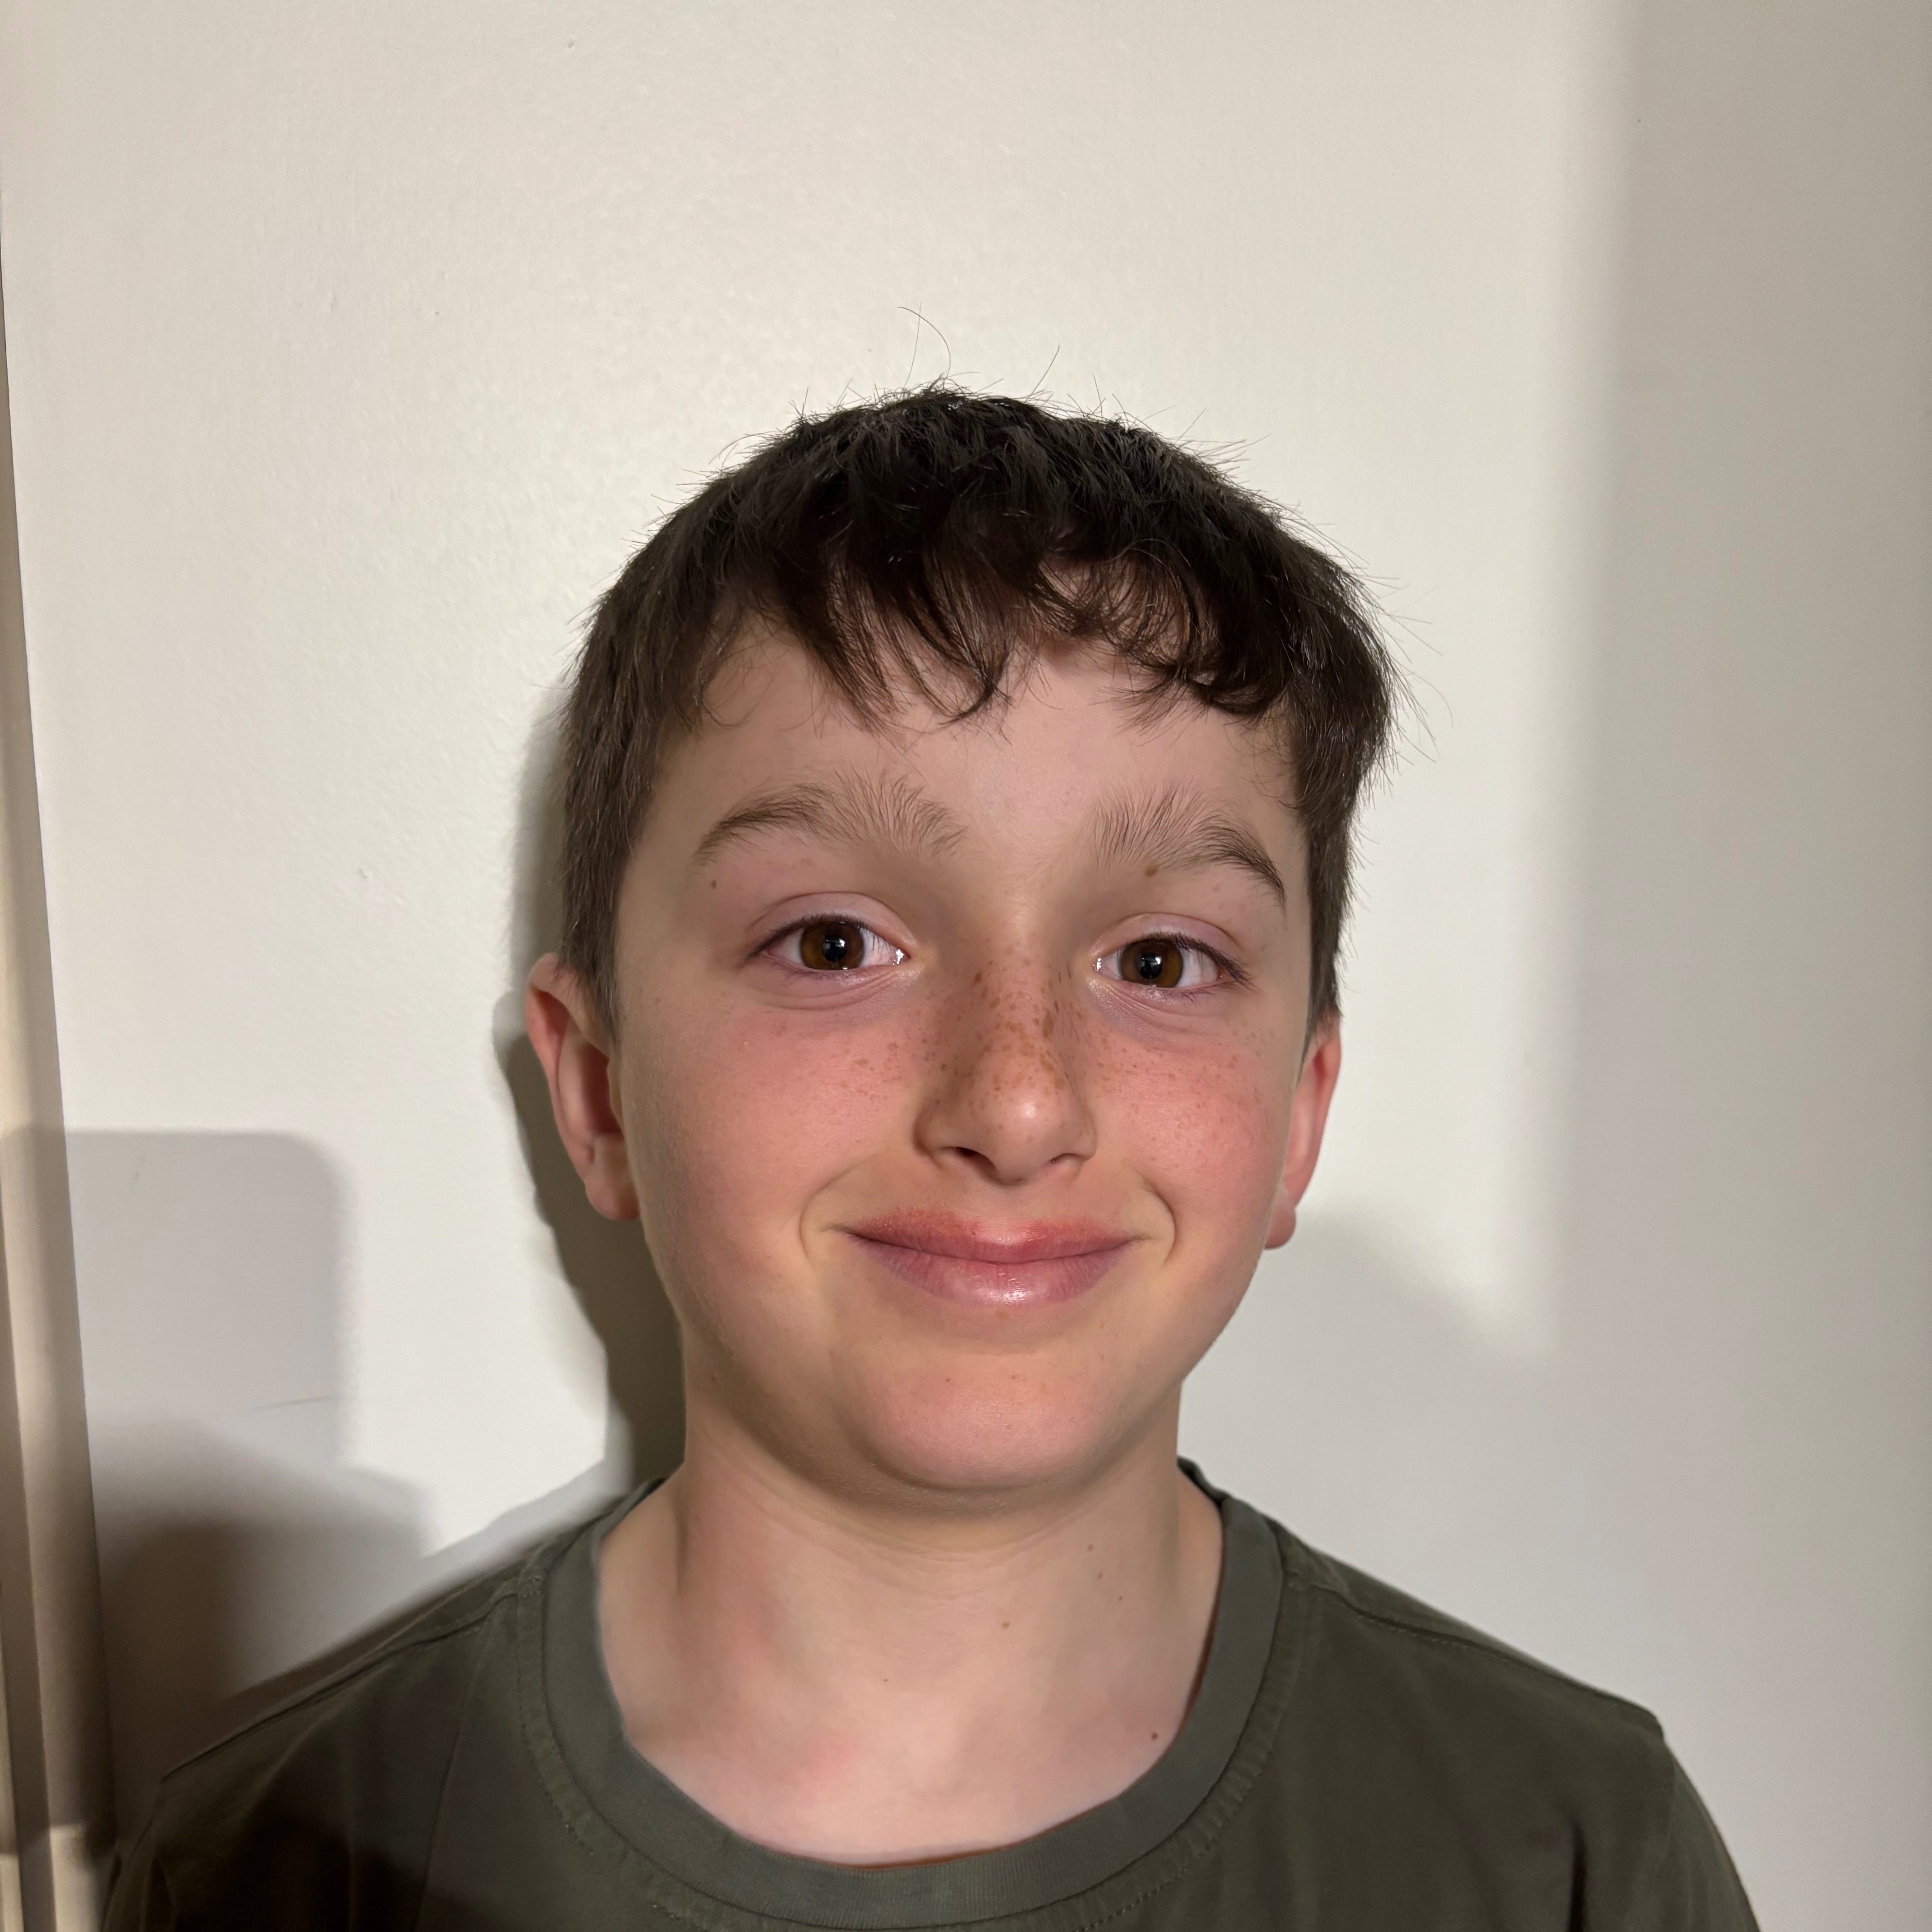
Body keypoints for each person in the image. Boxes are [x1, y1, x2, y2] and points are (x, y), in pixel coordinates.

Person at [106, 389, 1758, 1928]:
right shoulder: (274, 1865)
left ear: (1298, 1116)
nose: (1018, 1103)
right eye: (833, 943)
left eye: (1161, 960)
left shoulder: (1573, 1857)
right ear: (598, 1090)